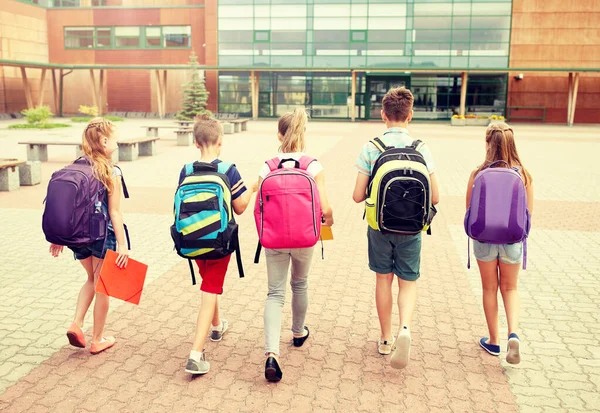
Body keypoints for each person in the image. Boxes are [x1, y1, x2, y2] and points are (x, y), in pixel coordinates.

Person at [352, 87, 439, 369]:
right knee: (408, 282)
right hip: (413, 227)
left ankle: (386, 338)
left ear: (383, 115)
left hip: (379, 226)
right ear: (410, 116)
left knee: (383, 280)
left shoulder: (372, 147)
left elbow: (357, 195)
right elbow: (435, 197)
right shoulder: (422, 148)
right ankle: (405, 329)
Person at [260, 108, 334, 382]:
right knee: (300, 283)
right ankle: (298, 332)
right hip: (305, 237)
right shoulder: (313, 166)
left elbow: (260, 204)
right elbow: (325, 208)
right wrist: (329, 221)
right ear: (303, 135)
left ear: (279, 134)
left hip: (274, 239)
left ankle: (271, 353)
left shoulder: (267, 166)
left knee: (274, 294)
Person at [180, 115, 257, 375]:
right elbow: (241, 207)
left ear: (195, 142)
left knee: (208, 285)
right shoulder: (227, 170)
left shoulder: (186, 170)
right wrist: (253, 188)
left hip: (190, 240)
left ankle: (217, 326)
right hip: (219, 242)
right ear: (221, 142)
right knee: (209, 290)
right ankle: (195, 354)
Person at [49, 117, 129, 355]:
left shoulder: (75, 167)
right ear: (104, 141)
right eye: (114, 139)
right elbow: (115, 211)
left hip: (78, 238)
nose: (117, 143)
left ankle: (76, 323)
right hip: (102, 237)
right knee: (103, 286)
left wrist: (59, 237)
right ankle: (97, 339)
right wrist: (123, 245)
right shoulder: (110, 171)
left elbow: (64, 206)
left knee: (91, 280)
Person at [466, 122, 533, 365]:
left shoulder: (477, 173)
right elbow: (528, 213)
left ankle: (493, 341)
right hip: (513, 240)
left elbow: (469, 210)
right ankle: (512, 333)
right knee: (510, 288)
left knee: (488, 289)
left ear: (487, 144)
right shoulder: (523, 174)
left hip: (483, 240)